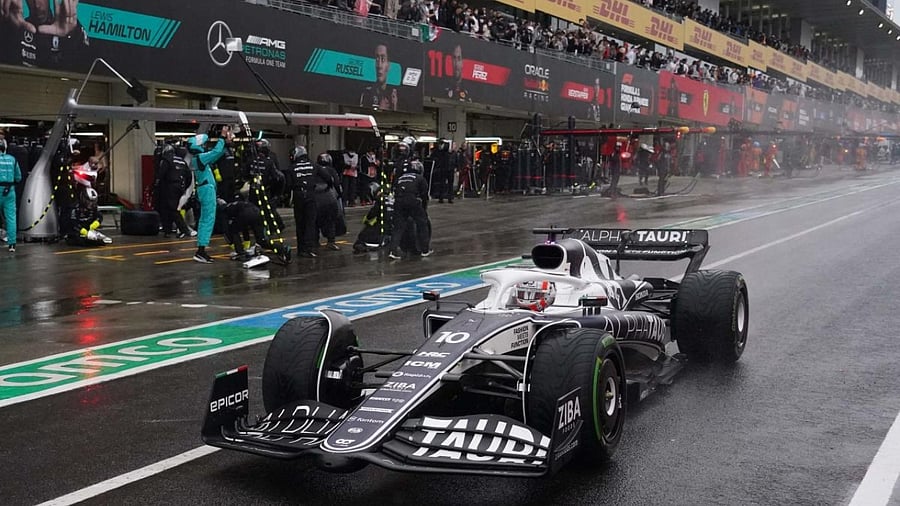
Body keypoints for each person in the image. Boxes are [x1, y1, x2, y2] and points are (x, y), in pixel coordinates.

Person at [188, 127, 231, 263]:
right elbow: (216, 152)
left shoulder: (198, 159)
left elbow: (216, 155)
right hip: (207, 190)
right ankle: (201, 251)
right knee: (207, 219)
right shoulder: (200, 158)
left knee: (205, 219)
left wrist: (225, 144)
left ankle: (201, 250)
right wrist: (222, 137)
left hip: (205, 189)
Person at [389, 138, 431, 259]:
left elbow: (394, 185)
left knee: (398, 226)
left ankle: (393, 250)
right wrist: (423, 208)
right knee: (422, 223)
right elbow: (424, 194)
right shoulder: (419, 177)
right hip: (412, 200)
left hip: (399, 199)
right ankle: (425, 249)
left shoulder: (399, 171)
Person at [286, 146, 322, 258]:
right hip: (311, 195)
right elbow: (328, 178)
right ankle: (309, 248)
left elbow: (288, 185)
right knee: (310, 223)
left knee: (300, 223)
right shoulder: (314, 165)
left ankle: (301, 249)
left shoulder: (292, 167)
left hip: (298, 196)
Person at [314, 153, 341, 251]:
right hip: (329, 197)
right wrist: (340, 195)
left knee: (315, 221)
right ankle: (331, 242)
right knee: (331, 220)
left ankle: (315, 242)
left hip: (315, 198)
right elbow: (337, 183)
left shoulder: (314, 169)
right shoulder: (331, 170)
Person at [360, 44, 398, 111]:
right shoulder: (367, 93)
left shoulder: (394, 95)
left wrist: (394, 107)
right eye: (377, 59)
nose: (379, 65)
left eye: (383, 59)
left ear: (388, 65)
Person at [0, 139, 23, 252]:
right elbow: (18, 177)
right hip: (10, 190)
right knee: (11, 218)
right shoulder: (12, 159)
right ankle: (12, 244)